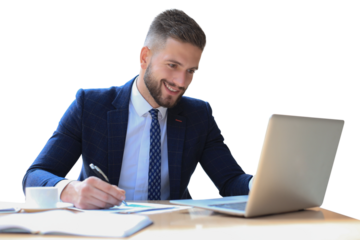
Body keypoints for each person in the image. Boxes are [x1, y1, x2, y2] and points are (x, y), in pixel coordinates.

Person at [21, 6, 254, 209]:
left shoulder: (198, 114)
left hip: (172, 231)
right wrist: (70, 189)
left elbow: (231, 180)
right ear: (145, 58)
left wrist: (262, 183)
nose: (182, 82)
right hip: (103, 230)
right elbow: (34, 176)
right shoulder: (90, 105)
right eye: (172, 65)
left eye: (191, 71)